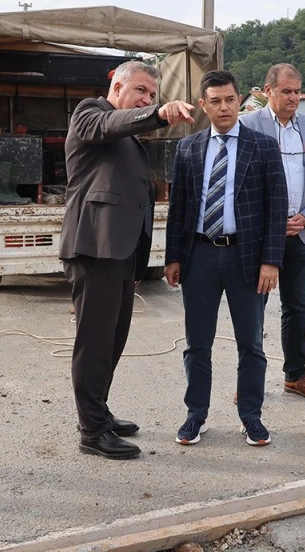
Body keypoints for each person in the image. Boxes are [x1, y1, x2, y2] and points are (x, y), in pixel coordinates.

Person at [59, 61, 194, 461]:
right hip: (94, 249)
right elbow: (107, 127)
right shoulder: (90, 113)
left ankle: (98, 411)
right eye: (140, 91)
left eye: (152, 95)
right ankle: (92, 431)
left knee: (112, 342)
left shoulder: (129, 136)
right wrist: (155, 115)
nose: (147, 99)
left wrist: (137, 261)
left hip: (119, 253)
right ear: (116, 88)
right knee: (94, 344)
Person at [166, 70, 287, 447]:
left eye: (230, 99)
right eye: (215, 101)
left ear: (241, 102)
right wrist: (173, 257)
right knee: (197, 342)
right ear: (204, 106)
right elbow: (180, 208)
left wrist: (271, 261)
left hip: (246, 259)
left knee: (250, 343)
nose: (223, 107)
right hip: (199, 255)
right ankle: (195, 415)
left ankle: (251, 417)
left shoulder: (263, 146)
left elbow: (276, 206)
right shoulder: (188, 148)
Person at [238, 63, 305, 400]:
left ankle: (295, 375)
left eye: (297, 92)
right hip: (262, 236)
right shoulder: (247, 125)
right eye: (286, 92)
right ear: (268, 91)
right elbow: (241, 182)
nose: (293, 98)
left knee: (296, 307)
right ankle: (249, 380)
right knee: (253, 307)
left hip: (300, 234)